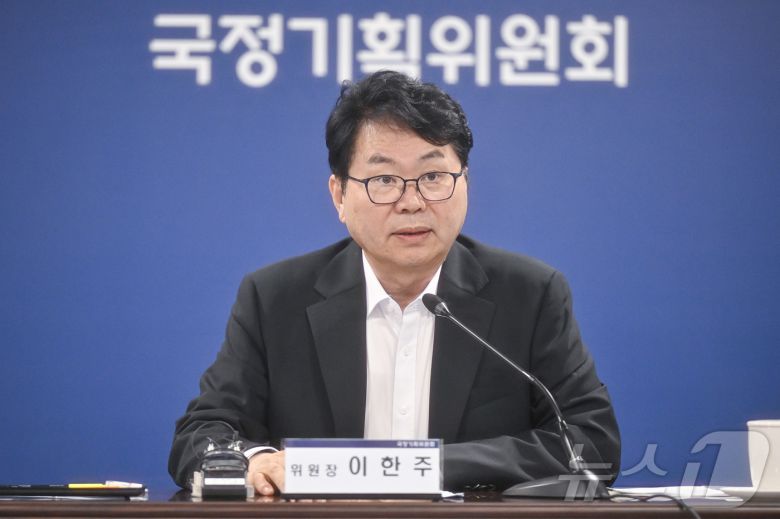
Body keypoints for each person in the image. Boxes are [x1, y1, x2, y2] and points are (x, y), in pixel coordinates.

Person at [168, 70, 620, 496]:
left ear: (465, 183)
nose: (412, 202)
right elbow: (201, 435)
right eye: (384, 179)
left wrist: (421, 467)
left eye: (433, 177)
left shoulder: (530, 295)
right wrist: (256, 461)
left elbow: (590, 444)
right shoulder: (274, 299)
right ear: (339, 195)